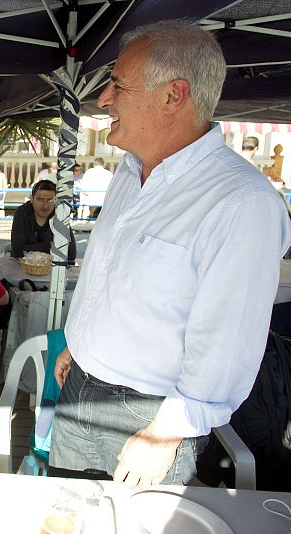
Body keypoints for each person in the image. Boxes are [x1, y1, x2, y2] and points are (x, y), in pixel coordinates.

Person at [50, 20, 291, 488]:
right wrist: (78, 344)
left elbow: (227, 345)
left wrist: (165, 433)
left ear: (173, 95)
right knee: (70, 513)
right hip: (79, 388)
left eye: (118, 84)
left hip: (151, 416)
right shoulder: (129, 171)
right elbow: (108, 274)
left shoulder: (241, 201)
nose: (104, 98)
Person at [10, 179, 76, 263]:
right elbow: (18, 251)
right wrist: (53, 246)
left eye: (50, 200)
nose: (45, 206)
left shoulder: (60, 214)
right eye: (40, 199)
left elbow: (71, 253)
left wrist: (32, 248)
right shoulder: (22, 213)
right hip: (22, 268)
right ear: (32, 199)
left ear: (56, 200)